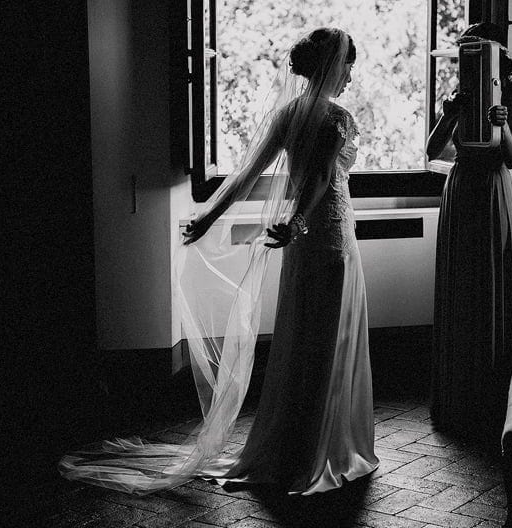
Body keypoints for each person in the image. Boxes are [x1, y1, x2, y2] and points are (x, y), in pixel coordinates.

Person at [59, 27, 377, 496]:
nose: (352, 74)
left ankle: (295, 442)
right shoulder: (337, 119)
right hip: (329, 238)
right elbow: (323, 179)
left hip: (304, 243)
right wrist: (295, 221)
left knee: (303, 336)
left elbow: (248, 172)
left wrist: (210, 215)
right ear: (334, 66)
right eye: (349, 64)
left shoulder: (289, 114)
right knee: (331, 337)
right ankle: (324, 448)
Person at [426, 23, 512, 441]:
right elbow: (433, 151)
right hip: (461, 190)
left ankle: (490, 399)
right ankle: (455, 399)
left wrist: (501, 124)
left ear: (497, 54)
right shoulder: (459, 94)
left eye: (476, 50)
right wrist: (450, 112)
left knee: (492, 287)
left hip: (492, 190)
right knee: (460, 289)